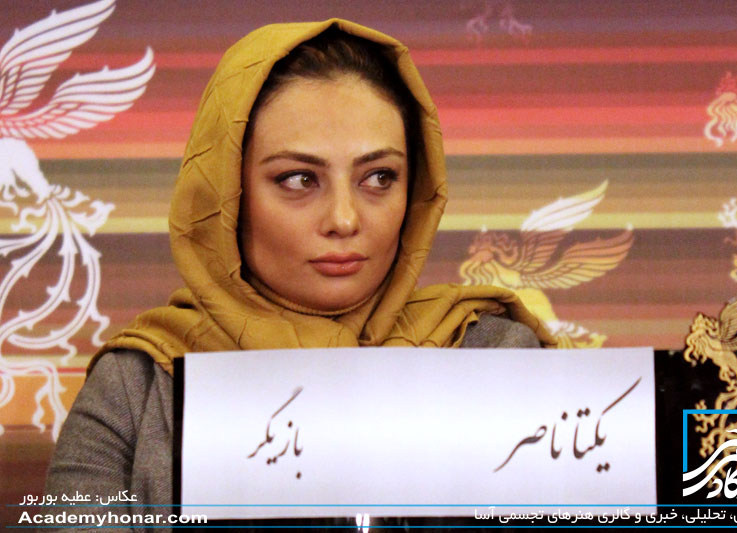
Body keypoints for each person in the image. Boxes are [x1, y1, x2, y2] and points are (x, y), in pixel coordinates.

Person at [43, 18, 553, 528]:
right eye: (298, 179)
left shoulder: (493, 357)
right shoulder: (136, 387)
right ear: (228, 193)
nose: (344, 220)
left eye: (379, 177)